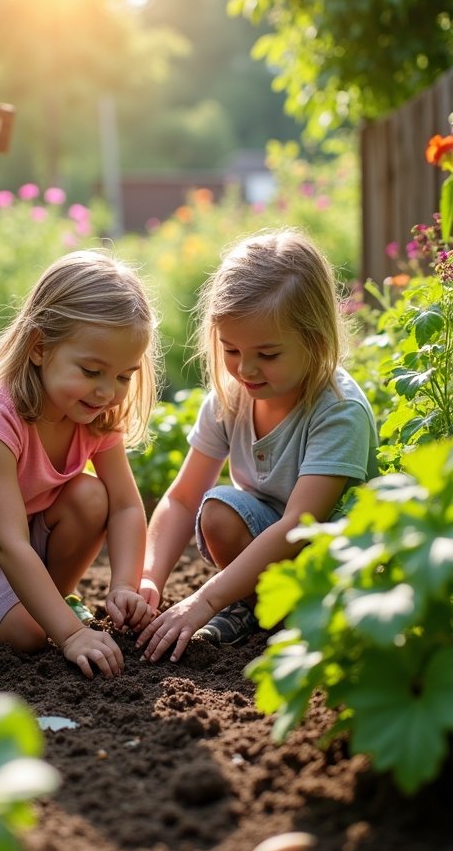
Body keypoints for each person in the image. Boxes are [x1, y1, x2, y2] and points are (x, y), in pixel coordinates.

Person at [136, 228, 378, 664]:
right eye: (231, 350)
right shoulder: (231, 399)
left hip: (328, 560)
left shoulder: (339, 412)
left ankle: (280, 614)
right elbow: (183, 496)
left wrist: (205, 600)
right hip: (262, 554)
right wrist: (150, 579)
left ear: (316, 341)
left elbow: (297, 525)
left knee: (238, 519)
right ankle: (256, 609)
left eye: (267, 354)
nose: (246, 369)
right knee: (220, 512)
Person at [0, 250, 160, 680]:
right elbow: (7, 542)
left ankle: (50, 601)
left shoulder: (94, 412)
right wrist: (70, 636)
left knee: (90, 496)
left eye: (124, 376)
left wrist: (124, 584)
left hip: (26, 538)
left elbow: (124, 505)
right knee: (32, 637)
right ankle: (44, 614)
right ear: (38, 348)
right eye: (92, 371)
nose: (108, 391)